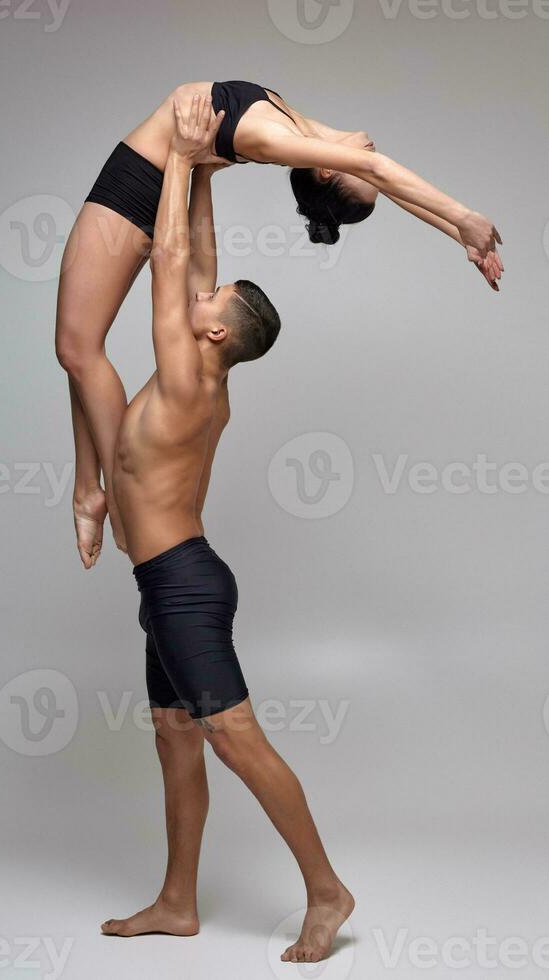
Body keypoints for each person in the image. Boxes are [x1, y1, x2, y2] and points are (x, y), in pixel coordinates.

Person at [99, 97, 353, 965]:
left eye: (209, 301)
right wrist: (207, 171)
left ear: (210, 331)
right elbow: (197, 258)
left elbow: (171, 261)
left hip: (181, 585)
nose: (199, 292)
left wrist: (174, 156)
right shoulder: (207, 379)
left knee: (232, 736)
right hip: (167, 581)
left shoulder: (182, 380)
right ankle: (177, 900)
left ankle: (325, 890)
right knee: (176, 736)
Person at [55, 80, 503, 567]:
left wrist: (465, 217)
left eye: (361, 175)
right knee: (81, 346)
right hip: (163, 180)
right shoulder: (306, 132)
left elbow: (377, 171)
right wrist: (458, 231)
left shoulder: (277, 140)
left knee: (77, 349)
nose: (374, 155)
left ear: (329, 170)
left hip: (142, 183)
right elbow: (389, 181)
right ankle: (87, 490)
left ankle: (111, 498)